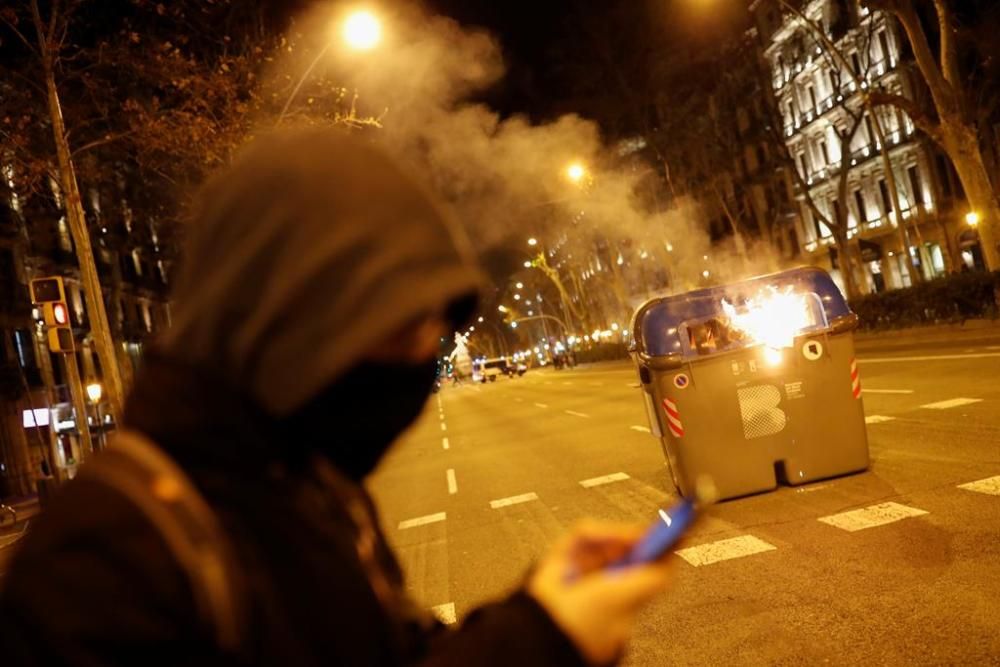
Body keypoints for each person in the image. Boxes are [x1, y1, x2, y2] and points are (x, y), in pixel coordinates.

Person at [0, 130, 671, 665]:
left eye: (432, 333)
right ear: (293, 321)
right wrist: (539, 643)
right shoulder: (97, 567)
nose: (419, 364)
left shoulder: (312, 485)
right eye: (398, 332)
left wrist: (539, 604)